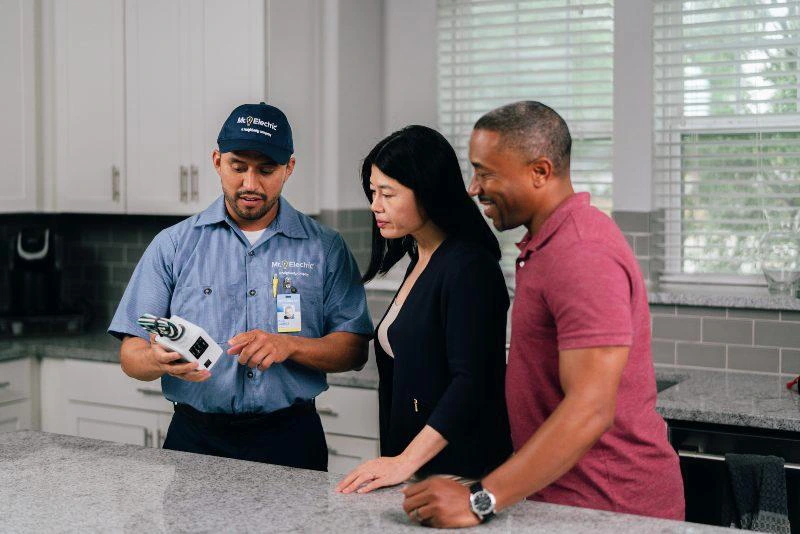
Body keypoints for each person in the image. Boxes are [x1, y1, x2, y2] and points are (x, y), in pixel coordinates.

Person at [401, 102, 684, 527]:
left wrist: (481, 499)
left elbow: (590, 408)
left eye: (486, 172)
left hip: (612, 508)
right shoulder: (546, 245)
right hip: (564, 499)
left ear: (540, 171)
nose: (474, 188)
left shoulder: (581, 252)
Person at [108, 102, 373, 471]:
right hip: (194, 439)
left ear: (288, 169)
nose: (250, 184)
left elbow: (354, 350)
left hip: (291, 439)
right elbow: (130, 353)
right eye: (238, 167)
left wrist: (289, 345)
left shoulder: (325, 248)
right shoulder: (173, 246)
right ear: (217, 161)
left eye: (266, 170)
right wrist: (156, 360)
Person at [335, 125, 512, 495]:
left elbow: (473, 384)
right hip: (418, 474)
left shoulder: (469, 267)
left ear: (429, 193)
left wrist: (405, 461)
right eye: (372, 192)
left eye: (387, 193)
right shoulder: (422, 256)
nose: (375, 206)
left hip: (459, 479)